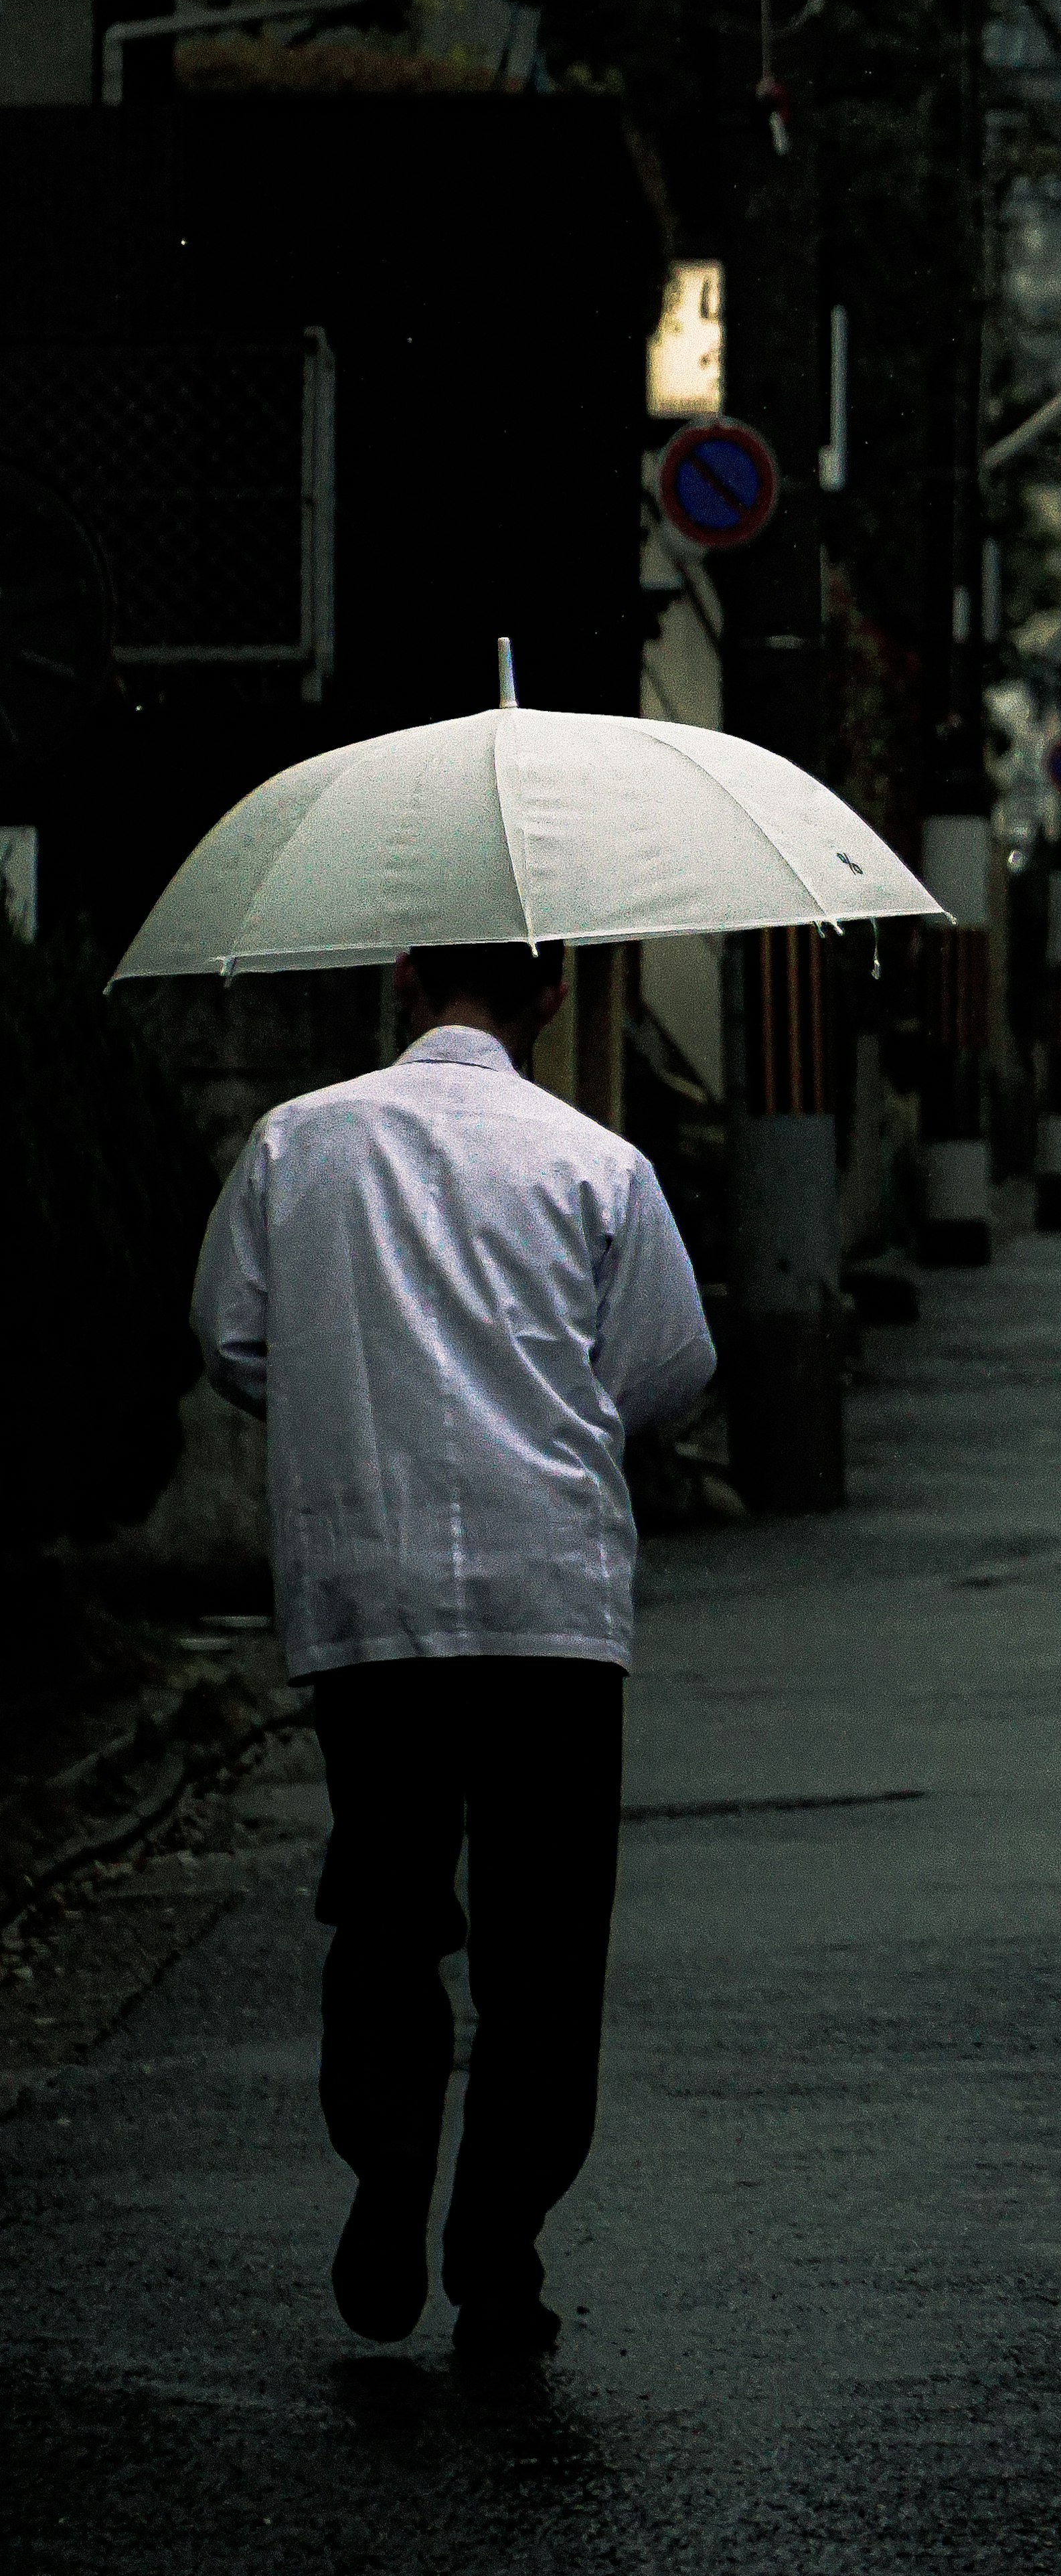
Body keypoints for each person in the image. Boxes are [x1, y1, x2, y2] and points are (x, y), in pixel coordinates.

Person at [191, 937, 714, 2367]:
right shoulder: (596, 1163)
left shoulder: (300, 1143)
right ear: (551, 995)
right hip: (551, 1603)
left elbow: (232, 1338)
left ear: (407, 982)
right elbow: (669, 1366)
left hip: (369, 1598)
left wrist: (349, 1400)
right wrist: (555, 1411)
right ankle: (498, 2255)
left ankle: (384, 2171)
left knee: (384, 1905)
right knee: (544, 1946)